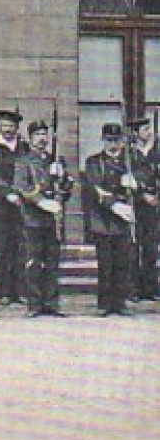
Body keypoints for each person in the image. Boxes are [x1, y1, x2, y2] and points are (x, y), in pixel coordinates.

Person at [14, 119, 73, 318]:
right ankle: (34, 304)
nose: (42, 139)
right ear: (30, 138)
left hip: (53, 220)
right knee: (33, 263)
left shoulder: (55, 160)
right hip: (33, 218)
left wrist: (62, 179)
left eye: (44, 134)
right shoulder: (23, 161)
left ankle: (51, 303)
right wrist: (41, 202)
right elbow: (22, 187)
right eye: (37, 135)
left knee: (52, 262)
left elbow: (67, 188)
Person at [82, 122, 136, 317]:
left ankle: (120, 303)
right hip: (103, 220)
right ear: (103, 141)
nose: (113, 145)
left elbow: (144, 181)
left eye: (117, 140)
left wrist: (134, 183)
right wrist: (115, 204)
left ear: (122, 142)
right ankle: (104, 303)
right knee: (105, 264)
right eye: (109, 140)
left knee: (122, 263)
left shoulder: (130, 162)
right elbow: (95, 188)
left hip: (123, 221)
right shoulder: (94, 162)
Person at [0, 108, 28, 305]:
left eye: (11, 126)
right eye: (4, 126)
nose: (8, 129)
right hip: (0, 205)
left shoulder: (24, 148)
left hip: (22, 203)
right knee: (2, 248)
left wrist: (20, 193)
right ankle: (4, 291)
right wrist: (8, 192)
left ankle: (20, 290)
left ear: (17, 128)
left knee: (21, 248)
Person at [127, 116, 159, 302]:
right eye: (145, 129)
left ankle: (150, 287)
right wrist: (142, 195)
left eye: (149, 129)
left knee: (151, 247)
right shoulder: (129, 154)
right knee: (133, 247)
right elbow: (128, 179)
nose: (149, 133)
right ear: (136, 133)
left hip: (153, 206)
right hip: (135, 205)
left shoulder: (156, 152)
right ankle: (133, 289)